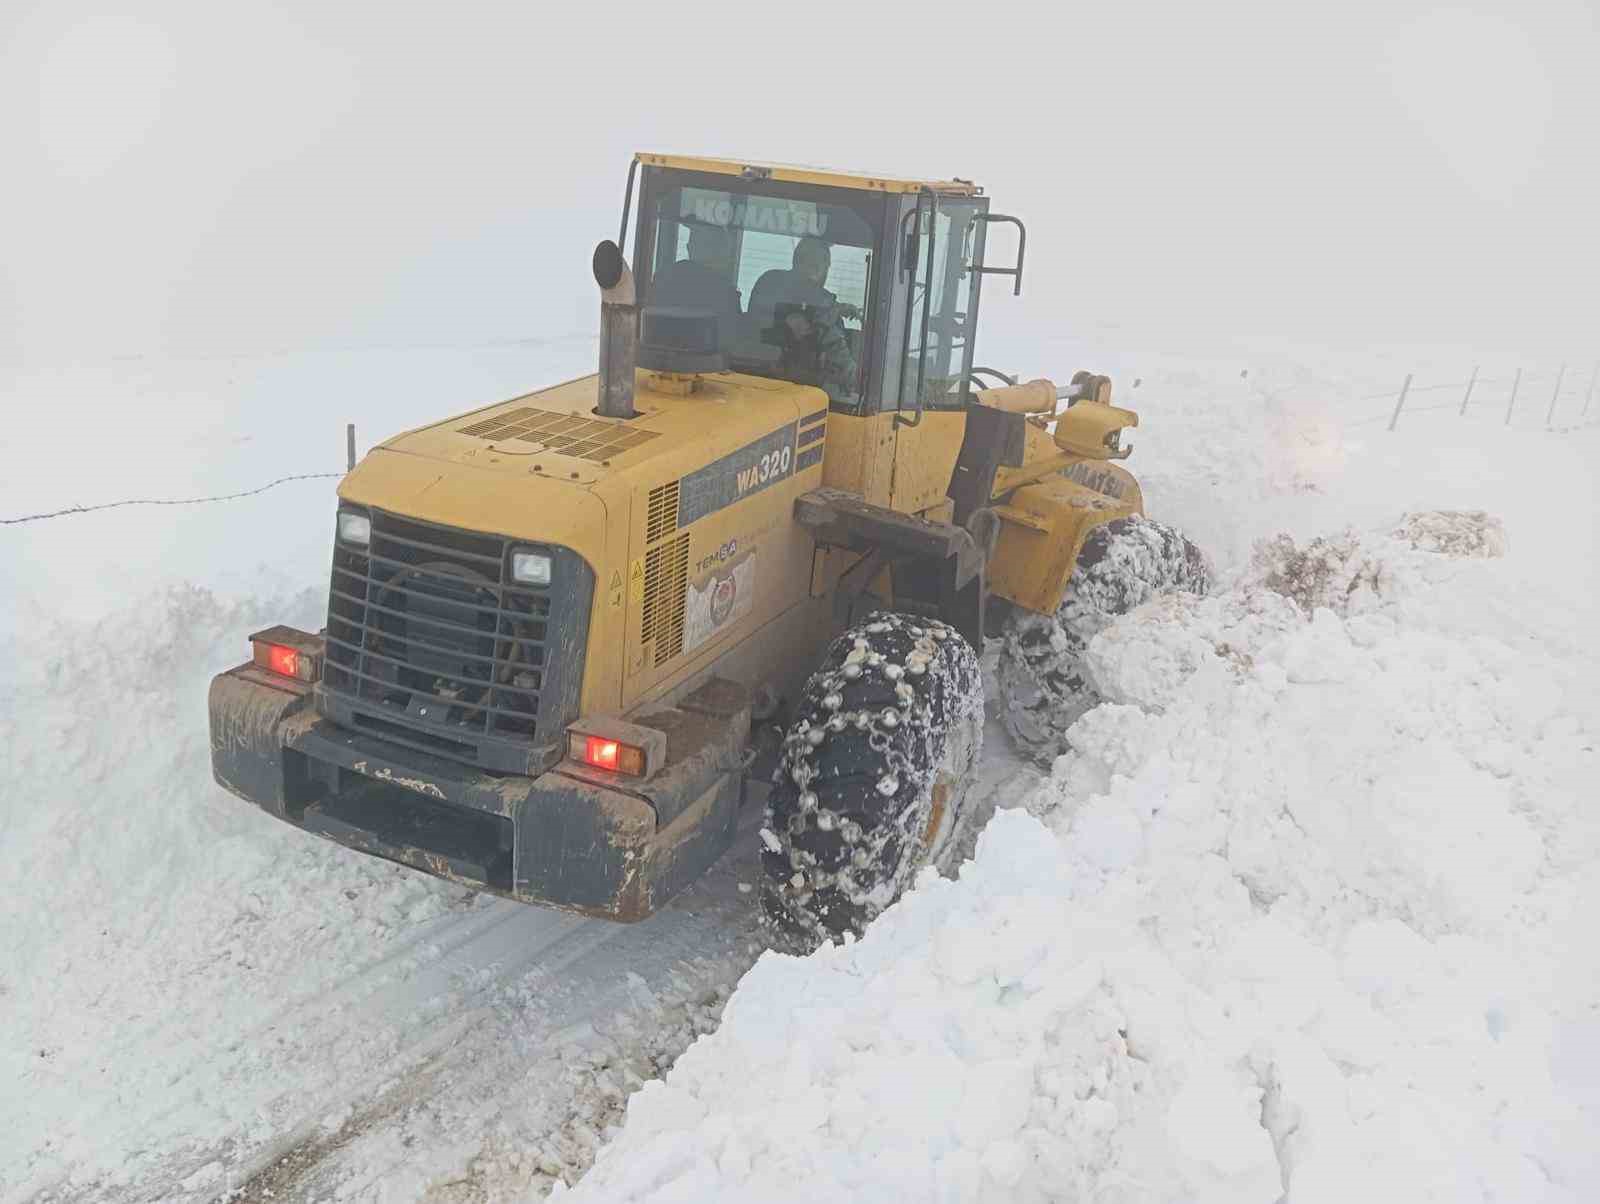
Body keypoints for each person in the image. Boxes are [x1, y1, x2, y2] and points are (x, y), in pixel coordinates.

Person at [747, 236, 860, 396]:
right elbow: (838, 356)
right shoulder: (778, 292)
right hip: (786, 385)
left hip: (758, 379)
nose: (820, 271)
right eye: (816, 264)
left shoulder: (770, 282)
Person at [649, 224, 742, 344]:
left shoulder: (662, 280)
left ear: (689, 248)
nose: (728, 256)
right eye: (724, 249)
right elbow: (734, 342)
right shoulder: (726, 295)